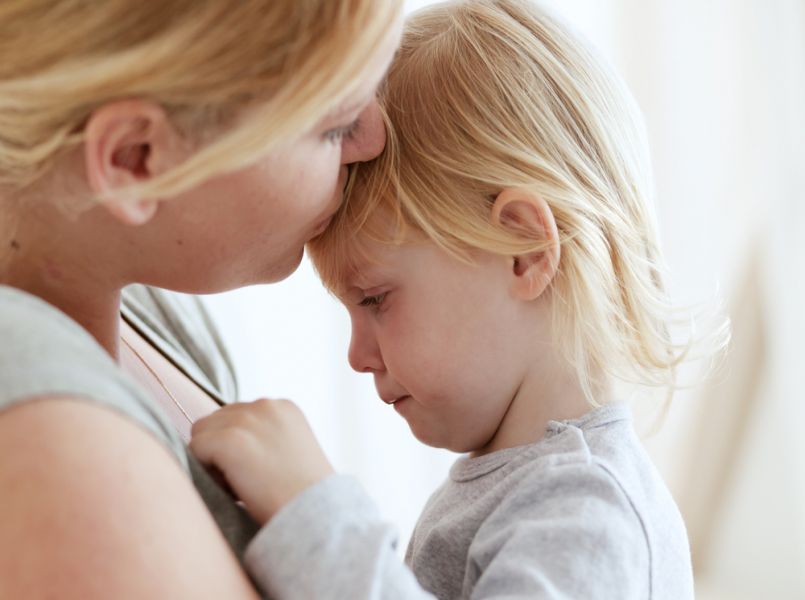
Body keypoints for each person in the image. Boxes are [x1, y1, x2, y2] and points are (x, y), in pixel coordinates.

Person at [188, 0, 725, 598]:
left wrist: (313, 515)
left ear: (524, 250)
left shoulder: (586, 512)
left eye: (375, 299)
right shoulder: (526, 487)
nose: (357, 357)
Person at [0, 0, 403, 597]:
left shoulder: (148, 311)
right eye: (335, 125)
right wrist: (327, 525)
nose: (374, 140)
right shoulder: (53, 446)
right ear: (133, 159)